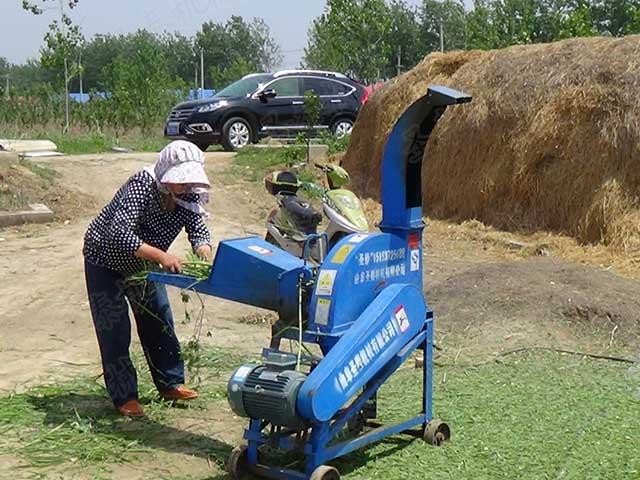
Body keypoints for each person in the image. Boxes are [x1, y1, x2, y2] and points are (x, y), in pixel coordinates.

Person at [83, 140, 213, 417]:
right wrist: (162, 257)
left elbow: (197, 225)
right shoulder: (142, 185)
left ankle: (170, 383)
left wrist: (202, 248)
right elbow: (119, 233)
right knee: (114, 329)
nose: (186, 186)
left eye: (190, 181)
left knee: (158, 320)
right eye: (181, 181)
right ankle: (125, 397)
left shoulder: (189, 194)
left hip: (143, 266)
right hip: (105, 261)